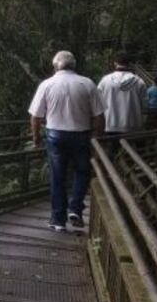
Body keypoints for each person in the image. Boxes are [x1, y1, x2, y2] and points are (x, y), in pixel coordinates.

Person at [28, 51, 105, 232]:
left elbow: (35, 117)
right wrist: (96, 138)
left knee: (57, 177)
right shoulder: (87, 83)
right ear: (74, 65)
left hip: (55, 137)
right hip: (81, 135)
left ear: (55, 66)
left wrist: (36, 138)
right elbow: (99, 116)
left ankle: (58, 219)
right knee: (83, 172)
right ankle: (75, 208)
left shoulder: (47, 84)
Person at [97, 51, 147, 135]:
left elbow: (98, 102)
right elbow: (144, 104)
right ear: (130, 64)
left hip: (111, 124)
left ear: (115, 63)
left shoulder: (105, 80)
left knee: (112, 148)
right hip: (133, 124)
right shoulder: (139, 82)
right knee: (131, 147)